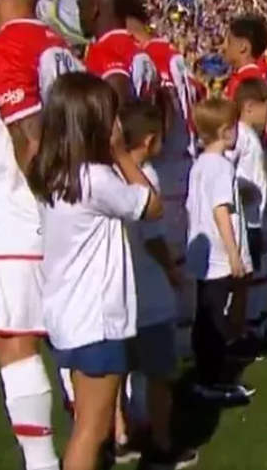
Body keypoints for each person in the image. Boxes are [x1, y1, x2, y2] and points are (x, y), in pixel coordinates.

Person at [0, 0, 83, 470]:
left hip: (18, 222)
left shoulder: (6, 47)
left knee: (15, 342)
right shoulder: (59, 46)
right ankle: (98, 443)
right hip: (63, 223)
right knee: (67, 340)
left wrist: (46, 205)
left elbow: (30, 142)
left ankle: (42, 464)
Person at [26, 73, 163, 470]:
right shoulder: (95, 179)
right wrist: (120, 154)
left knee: (88, 424)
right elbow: (152, 205)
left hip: (68, 314)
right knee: (92, 430)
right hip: (96, 319)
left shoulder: (52, 173)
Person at [115, 101, 196, 469]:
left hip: (117, 294)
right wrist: (173, 271)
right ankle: (162, 444)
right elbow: (152, 235)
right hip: (149, 294)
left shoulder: (105, 176)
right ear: (149, 141)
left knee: (118, 373)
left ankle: (121, 435)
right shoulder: (147, 176)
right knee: (160, 375)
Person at [121, 1, 197, 359]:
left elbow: (161, 108)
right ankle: (183, 336)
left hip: (163, 165)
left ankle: (174, 340)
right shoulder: (172, 53)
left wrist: (155, 141)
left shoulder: (149, 55)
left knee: (160, 254)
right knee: (174, 253)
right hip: (180, 161)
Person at [186, 97, 254, 404]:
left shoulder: (199, 164)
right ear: (226, 131)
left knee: (205, 316)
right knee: (214, 319)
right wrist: (233, 253)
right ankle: (212, 380)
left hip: (203, 254)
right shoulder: (222, 167)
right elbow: (220, 210)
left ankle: (206, 375)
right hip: (217, 255)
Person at [233, 78, 267, 352]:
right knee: (253, 274)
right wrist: (241, 189)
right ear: (249, 107)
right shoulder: (239, 136)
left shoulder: (250, 136)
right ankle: (247, 331)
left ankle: (258, 324)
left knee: (263, 270)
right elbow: (226, 168)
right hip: (247, 220)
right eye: (266, 111)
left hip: (256, 218)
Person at [79, 0, 159, 103]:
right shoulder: (137, 49)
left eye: (81, 7)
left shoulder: (105, 50)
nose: (79, 15)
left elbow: (118, 100)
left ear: (94, 10)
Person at [223, 15, 267, 100]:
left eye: (229, 41)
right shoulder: (243, 78)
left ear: (243, 47)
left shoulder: (245, 84)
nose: (223, 47)